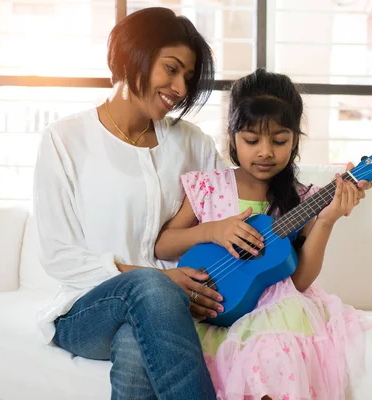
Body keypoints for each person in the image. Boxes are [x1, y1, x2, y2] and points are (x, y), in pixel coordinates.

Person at [33, 7, 227, 399]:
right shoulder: (65, 139)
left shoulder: (194, 143)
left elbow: (231, 208)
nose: (180, 88)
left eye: (188, 77)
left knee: (136, 343)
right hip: (86, 311)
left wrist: (319, 210)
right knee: (150, 287)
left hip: (171, 313)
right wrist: (157, 280)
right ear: (132, 56)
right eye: (171, 69)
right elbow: (58, 254)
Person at [154, 68, 372, 400]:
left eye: (279, 140)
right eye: (252, 140)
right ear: (232, 138)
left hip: (272, 311)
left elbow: (298, 280)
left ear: (295, 140)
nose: (265, 152)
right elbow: (164, 245)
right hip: (209, 307)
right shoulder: (207, 188)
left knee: (272, 355)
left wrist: (327, 219)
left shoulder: (302, 200)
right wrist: (213, 231)